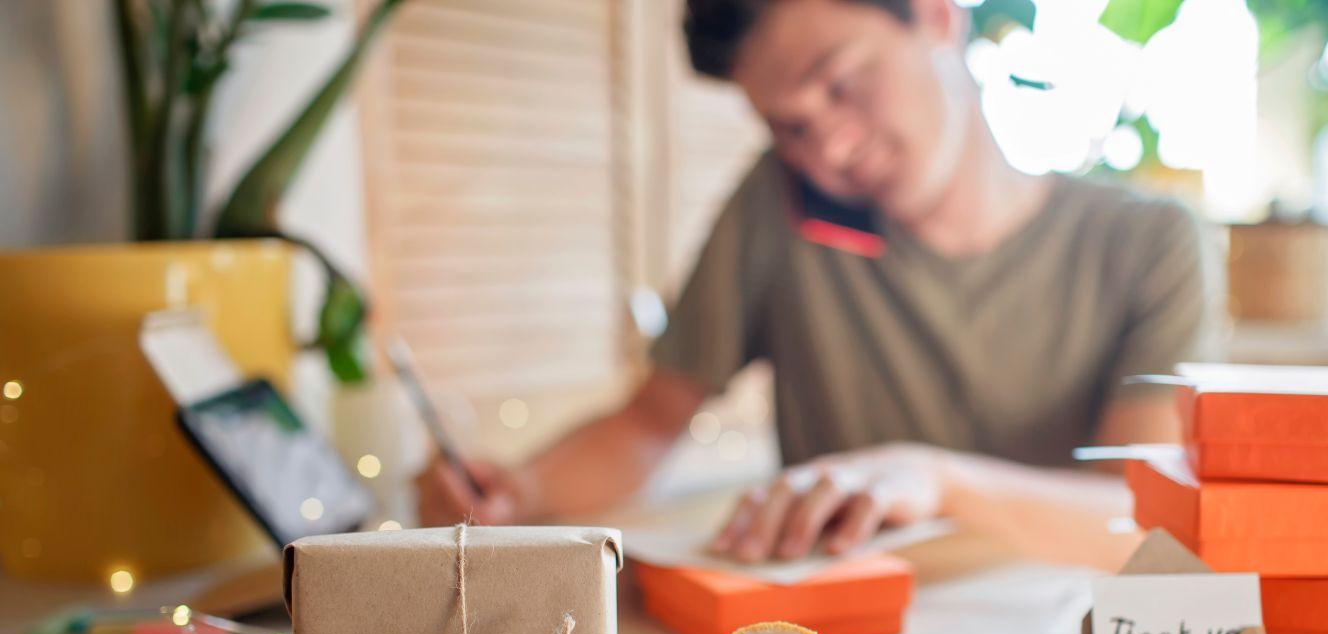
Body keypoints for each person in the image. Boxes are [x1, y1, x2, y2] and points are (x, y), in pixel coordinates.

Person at [418, 0, 1220, 565]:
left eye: (840, 84)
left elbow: (1138, 515)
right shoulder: (782, 203)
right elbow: (651, 423)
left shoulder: (1147, 244)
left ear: (936, 15)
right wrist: (519, 492)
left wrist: (935, 479)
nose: (828, 150)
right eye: (790, 126)